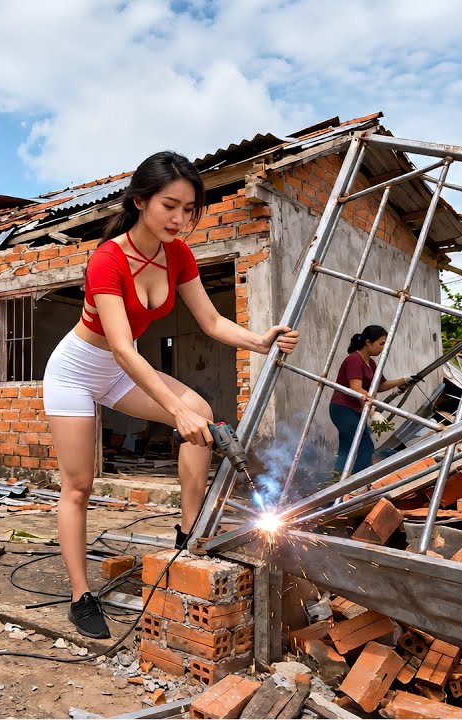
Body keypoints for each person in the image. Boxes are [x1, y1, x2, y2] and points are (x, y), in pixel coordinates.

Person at [42, 151, 300, 639]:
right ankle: (80, 596)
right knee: (78, 487)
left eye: (189, 209)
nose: (180, 219)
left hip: (120, 370)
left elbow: (211, 321)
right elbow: (120, 347)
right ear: (141, 201)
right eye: (169, 206)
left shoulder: (177, 254)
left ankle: (187, 534)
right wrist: (173, 407)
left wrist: (260, 340)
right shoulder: (107, 260)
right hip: (77, 371)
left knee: (201, 413)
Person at [330, 325, 418, 475]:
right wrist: (372, 412)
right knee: (365, 446)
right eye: (381, 344)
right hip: (343, 409)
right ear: (368, 342)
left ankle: (337, 481)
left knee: (346, 447)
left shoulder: (370, 363)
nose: (383, 348)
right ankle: (358, 482)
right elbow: (356, 388)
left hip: (356, 409)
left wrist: (404, 380)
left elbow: (380, 385)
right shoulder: (354, 360)